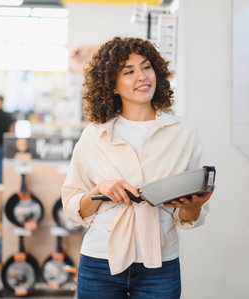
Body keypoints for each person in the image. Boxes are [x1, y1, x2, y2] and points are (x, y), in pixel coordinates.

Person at [62, 37, 212, 299]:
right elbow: (72, 205)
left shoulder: (184, 134)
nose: (142, 77)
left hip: (160, 265)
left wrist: (194, 204)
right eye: (128, 72)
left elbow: (186, 217)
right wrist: (99, 190)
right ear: (113, 85)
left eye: (146, 67)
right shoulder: (94, 136)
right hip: (100, 263)